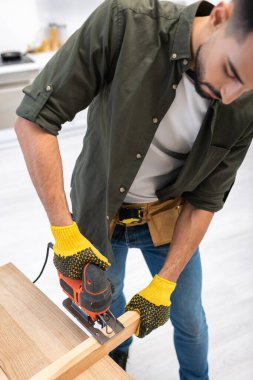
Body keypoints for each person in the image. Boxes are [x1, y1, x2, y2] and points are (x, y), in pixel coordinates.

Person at [15, 0, 253, 378]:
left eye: (246, 87)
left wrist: (165, 283)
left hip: (168, 222)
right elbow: (34, 121)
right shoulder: (127, 21)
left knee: (189, 316)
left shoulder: (243, 101)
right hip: (100, 208)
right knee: (107, 303)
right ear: (220, 16)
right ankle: (116, 364)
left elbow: (206, 199)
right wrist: (63, 230)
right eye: (230, 72)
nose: (229, 97)